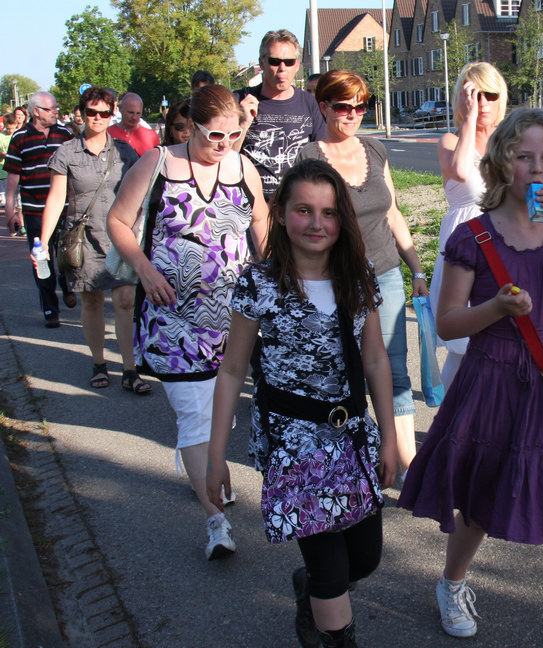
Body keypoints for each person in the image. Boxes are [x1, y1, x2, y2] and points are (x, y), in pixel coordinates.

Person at [398, 108, 543, 648]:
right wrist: (496, 308)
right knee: (478, 505)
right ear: (502, 163)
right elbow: (448, 322)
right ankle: (452, 583)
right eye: (524, 157)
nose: (537, 168)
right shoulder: (473, 235)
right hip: (491, 382)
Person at [207, 159, 397, 648]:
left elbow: (376, 359)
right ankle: (330, 626)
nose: (317, 223)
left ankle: (310, 589)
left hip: (352, 438)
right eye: (303, 210)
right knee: (331, 571)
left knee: (364, 559)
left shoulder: (358, 275)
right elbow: (232, 369)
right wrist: (215, 456)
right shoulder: (260, 281)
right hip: (295, 444)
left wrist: (389, 439)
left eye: (329, 212)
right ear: (280, 213)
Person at [107, 84, 269, 559]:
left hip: (234, 320)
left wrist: (274, 275)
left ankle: (210, 471)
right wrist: (144, 269)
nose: (225, 144)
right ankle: (216, 522)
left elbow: (260, 221)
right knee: (194, 417)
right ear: (192, 126)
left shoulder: (242, 166)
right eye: (215, 135)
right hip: (173, 320)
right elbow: (118, 220)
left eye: (234, 135)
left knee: (222, 412)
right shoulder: (156, 163)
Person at [297, 70, 428, 476]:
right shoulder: (309, 157)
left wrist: (416, 269)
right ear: (324, 108)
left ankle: (406, 463)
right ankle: (348, 455)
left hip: (385, 272)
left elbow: (393, 213)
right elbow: (304, 223)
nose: (353, 114)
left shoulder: (375, 148)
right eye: (343, 107)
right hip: (335, 278)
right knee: (342, 368)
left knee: (394, 367)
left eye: (361, 106)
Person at [34, 87, 147, 393]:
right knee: (93, 300)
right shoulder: (66, 153)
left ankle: (130, 369)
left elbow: (141, 193)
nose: (98, 118)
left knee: (125, 301)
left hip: (120, 237)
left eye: (104, 113)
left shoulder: (124, 152)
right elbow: (56, 198)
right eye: (91, 112)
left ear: (112, 115)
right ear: (82, 113)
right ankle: (99, 363)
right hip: (84, 239)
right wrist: (42, 241)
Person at [431, 62, 508, 389]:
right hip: (465, 249)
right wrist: (470, 119)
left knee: (502, 339)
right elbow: (462, 172)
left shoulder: (509, 140)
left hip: (505, 244)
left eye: (491, 95)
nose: (484, 103)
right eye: (476, 95)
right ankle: (451, 416)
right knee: (462, 347)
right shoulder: (450, 140)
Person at [3, 92, 76, 327]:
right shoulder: (19, 138)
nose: (56, 112)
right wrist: (11, 211)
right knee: (41, 261)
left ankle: (67, 285)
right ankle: (50, 309)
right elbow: (13, 178)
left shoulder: (65, 134)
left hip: (64, 210)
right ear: (36, 111)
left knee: (68, 257)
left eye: (56, 108)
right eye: (50, 108)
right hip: (35, 211)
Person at [234, 29, 327, 202]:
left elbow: (323, 160)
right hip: (250, 206)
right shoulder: (239, 100)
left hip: (297, 206)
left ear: (297, 65)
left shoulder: (310, 103)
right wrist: (243, 124)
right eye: (275, 61)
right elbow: (223, 158)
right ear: (262, 63)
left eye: (289, 62)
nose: (282, 69)